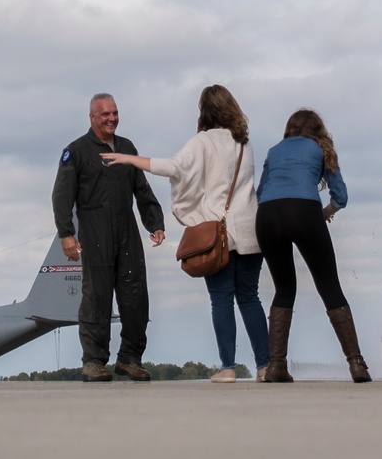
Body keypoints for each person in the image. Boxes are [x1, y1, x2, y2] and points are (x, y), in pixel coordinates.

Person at [102, 85, 270, 383]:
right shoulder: (245, 143)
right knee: (249, 298)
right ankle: (265, 366)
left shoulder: (204, 141)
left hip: (220, 234)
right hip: (250, 231)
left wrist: (129, 159)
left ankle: (228, 368)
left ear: (204, 110)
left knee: (221, 299)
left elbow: (174, 168)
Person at [52, 93, 166, 382]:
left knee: (135, 296)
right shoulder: (76, 151)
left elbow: (141, 187)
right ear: (92, 117)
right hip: (94, 229)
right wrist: (66, 234)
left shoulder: (127, 147)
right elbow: (61, 196)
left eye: (115, 113)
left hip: (127, 230)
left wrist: (155, 222)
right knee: (97, 298)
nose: (112, 118)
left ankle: (130, 359)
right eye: (105, 114)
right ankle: (93, 361)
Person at [255, 109, 371, 383]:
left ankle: (276, 366)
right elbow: (340, 196)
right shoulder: (321, 149)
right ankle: (356, 365)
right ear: (317, 129)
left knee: (283, 289)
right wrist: (324, 214)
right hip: (305, 210)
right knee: (329, 286)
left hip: (268, 215)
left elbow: (260, 192)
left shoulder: (274, 150)